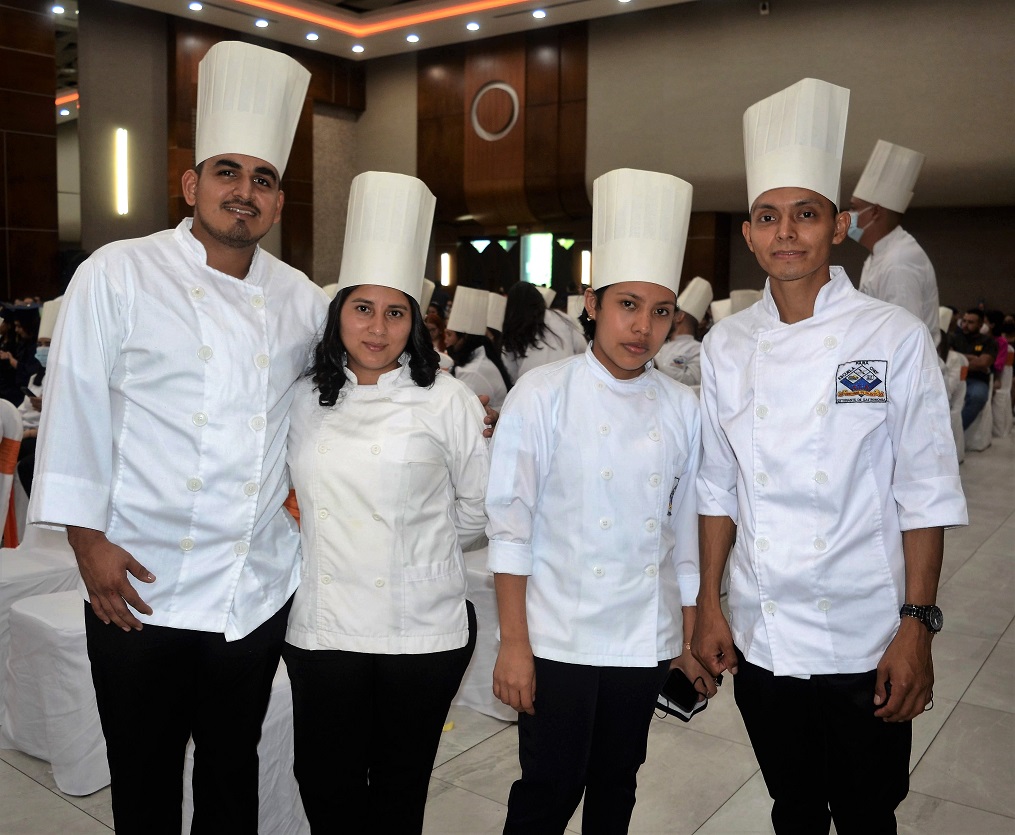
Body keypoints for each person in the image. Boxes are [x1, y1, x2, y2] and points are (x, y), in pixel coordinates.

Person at [28, 42, 324, 834]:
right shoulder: (118, 272)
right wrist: (88, 543)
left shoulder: (301, 299)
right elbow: (76, 406)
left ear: (278, 202)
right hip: (137, 581)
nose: (244, 191)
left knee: (233, 771)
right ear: (192, 185)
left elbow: (327, 408)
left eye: (262, 179)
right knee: (145, 776)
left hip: (252, 587)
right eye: (228, 172)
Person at [693, 78, 967, 834]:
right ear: (748, 234)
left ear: (838, 226)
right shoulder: (725, 346)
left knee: (866, 810)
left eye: (804, 214)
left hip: (864, 632)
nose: (786, 232)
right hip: (762, 627)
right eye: (767, 216)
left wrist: (916, 623)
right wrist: (708, 603)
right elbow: (717, 486)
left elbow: (924, 490)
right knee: (792, 806)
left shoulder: (890, 338)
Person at [488, 168, 714, 834]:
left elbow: (684, 528)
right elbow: (509, 526)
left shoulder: (681, 407)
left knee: (617, 787)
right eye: (627, 305)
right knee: (547, 789)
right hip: (556, 637)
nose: (642, 327)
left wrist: (690, 635)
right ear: (592, 301)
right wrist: (514, 644)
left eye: (660, 310)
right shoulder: (541, 392)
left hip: (642, 640)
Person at [283, 171, 489, 834]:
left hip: (420, 628)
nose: (377, 327)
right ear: (337, 312)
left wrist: (416, 549)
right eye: (362, 308)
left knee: (399, 788)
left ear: (416, 322)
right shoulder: (301, 400)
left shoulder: (447, 400)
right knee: (321, 778)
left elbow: (478, 508)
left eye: (395, 311)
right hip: (323, 625)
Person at [848, 140, 941, 344]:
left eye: (854, 208)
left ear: (874, 212)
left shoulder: (899, 261)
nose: (849, 216)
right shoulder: (880, 254)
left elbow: (903, 337)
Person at [500, 280, 585, 384]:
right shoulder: (562, 318)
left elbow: (511, 373)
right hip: (566, 384)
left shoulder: (514, 330)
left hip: (530, 390)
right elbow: (582, 349)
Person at [445, 286, 511, 409]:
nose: (445, 340)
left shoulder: (473, 371)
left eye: (449, 334)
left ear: (464, 337)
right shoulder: (477, 359)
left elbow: (457, 410)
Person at [653, 276, 713, 387]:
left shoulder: (700, 349)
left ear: (679, 317)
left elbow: (691, 382)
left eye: (669, 314)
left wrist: (656, 368)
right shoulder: (658, 344)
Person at [950, 308, 997, 428]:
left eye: (971, 322)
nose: (965, 325)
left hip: (976, 380)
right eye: (964, 321)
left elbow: (982, 363)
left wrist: (958, 358)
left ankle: (955, 432)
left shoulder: (988, 341)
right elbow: (948, 360)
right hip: (955, 377)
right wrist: (972, 358)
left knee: (978, 396)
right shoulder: (954, 338)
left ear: (980, 325)